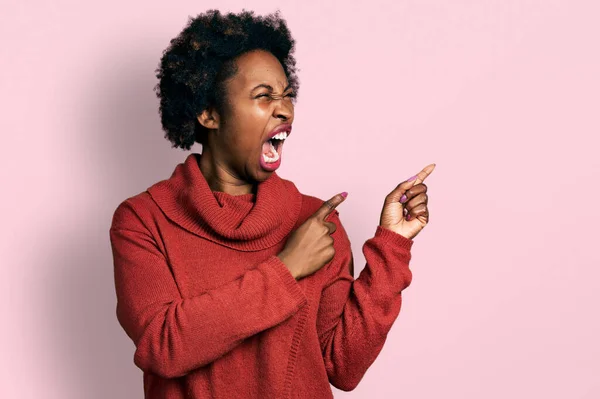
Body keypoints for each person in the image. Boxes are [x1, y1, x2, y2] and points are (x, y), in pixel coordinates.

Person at [109, 9, 435, 399]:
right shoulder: (144, 220)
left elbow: (343, 366)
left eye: (287, 95)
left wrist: (392, 246)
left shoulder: (315, 221)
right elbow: (163, 347)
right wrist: (287, 269)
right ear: (208, 113)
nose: (285, 110)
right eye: (264, 96)